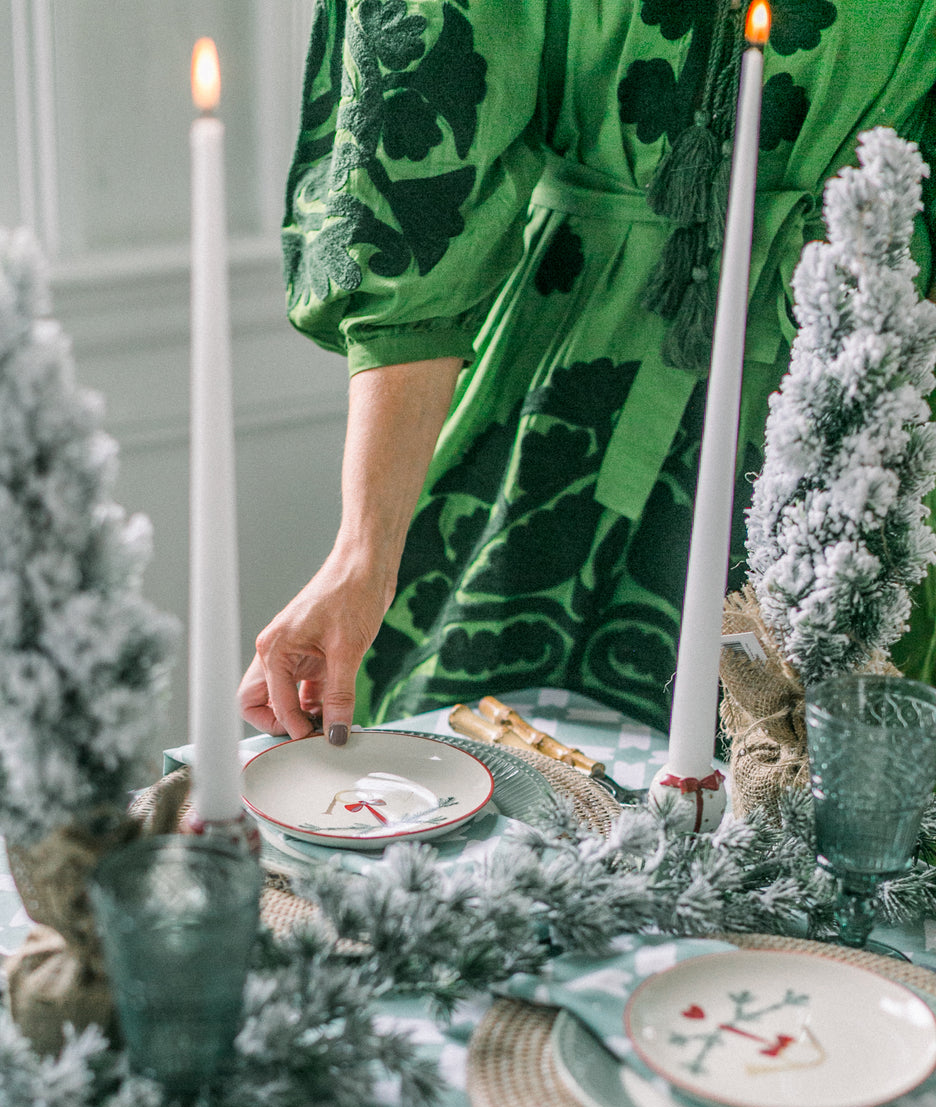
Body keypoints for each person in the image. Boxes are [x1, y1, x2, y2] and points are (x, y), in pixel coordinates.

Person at [238, 0, 936, 747]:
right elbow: (415, 194)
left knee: (801, 801)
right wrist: (363, 556)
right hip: (544, 395)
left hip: (847, 412)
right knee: (458, 786)